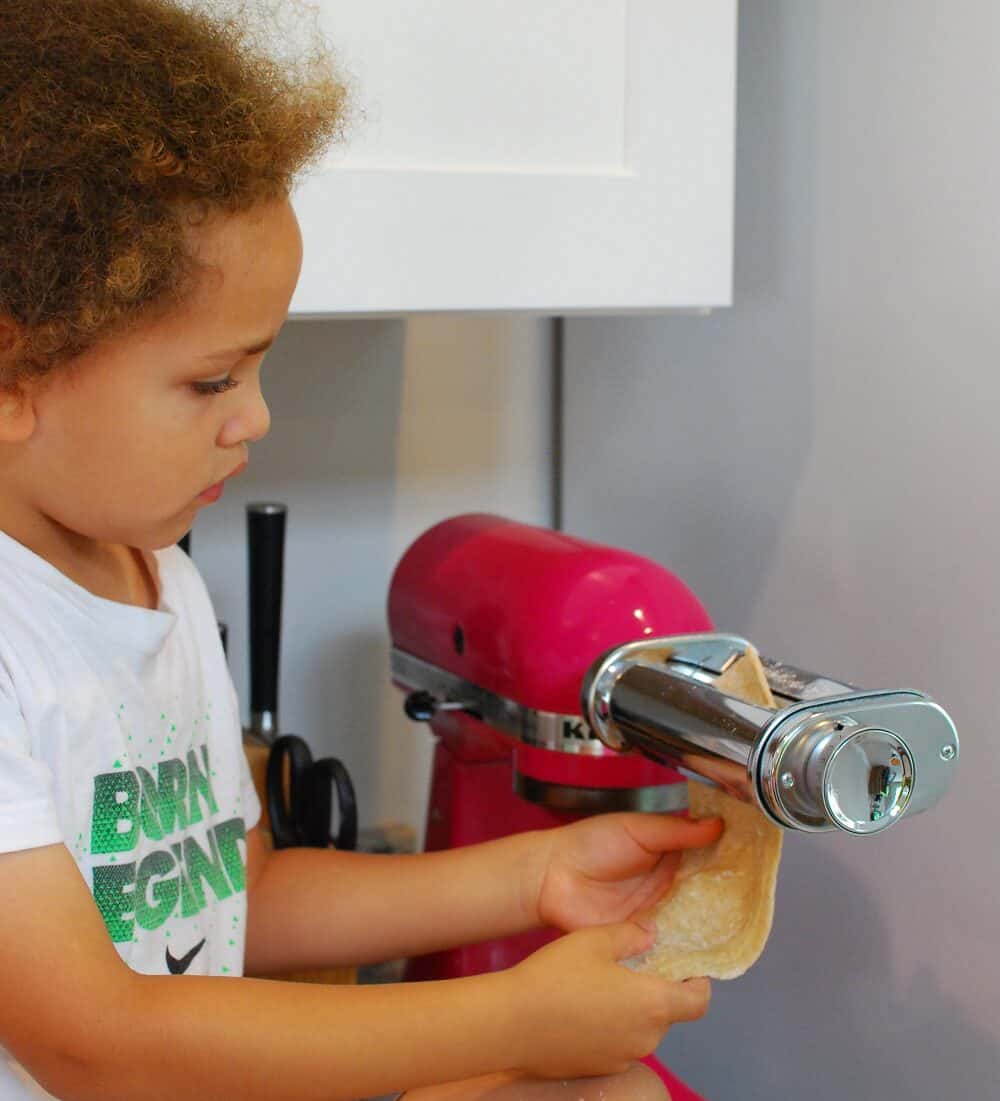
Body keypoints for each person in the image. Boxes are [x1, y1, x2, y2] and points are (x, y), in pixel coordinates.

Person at [0, 2, 723, 1099]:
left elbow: (250, 896)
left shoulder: (160, 581)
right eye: (210, 381)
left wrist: (536, 876)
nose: (255, 419)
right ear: (13, 379)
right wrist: (512, 1018)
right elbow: (97, 1043)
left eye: (256, 370)